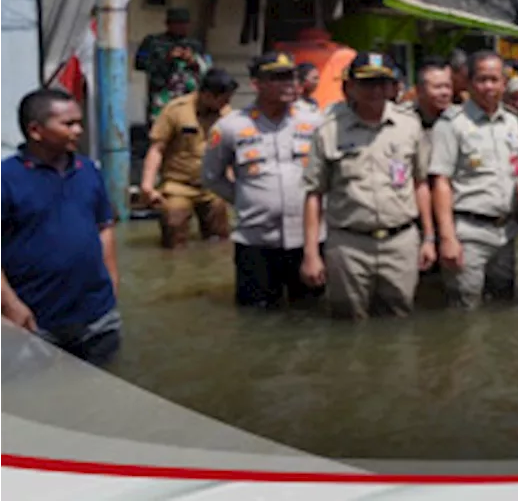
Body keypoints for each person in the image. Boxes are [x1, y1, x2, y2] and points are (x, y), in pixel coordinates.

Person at [300, 52, 434, 319]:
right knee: (347, 323)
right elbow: (314, 194)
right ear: (350, 87)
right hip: (348, 245)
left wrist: (428, 237)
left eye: (382, 83)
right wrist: (311, 253)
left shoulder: (409, 126)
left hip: (400, 242)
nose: (375, 90)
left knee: (400, 320)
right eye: (367, 83)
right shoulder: (328, 131)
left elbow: (420, 183)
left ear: (392, 87)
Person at [0, 89, 120, 366]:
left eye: (79, 122)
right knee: (39, 400)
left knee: (101, 396)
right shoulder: (7, 179)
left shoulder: (88, 170)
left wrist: (112, 281)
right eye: (68, 124)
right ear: (36, 130)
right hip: (34, 320)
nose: (78, 130)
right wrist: (10, 304)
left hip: (97, 318)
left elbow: (105, 226)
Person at [203, 53, 326, 310]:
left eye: (291, 77)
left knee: (310, 316)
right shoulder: (230, 127)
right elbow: (212, 177)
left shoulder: (315, 122)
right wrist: (246, 200)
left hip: (307, 241)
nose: (289, 84)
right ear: (256, 84)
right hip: (255, 242)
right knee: (255, 319)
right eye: (278, 78)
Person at [430, 51, 518, 309]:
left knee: (504, 305)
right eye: (482, 79)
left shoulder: (512, 124)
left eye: (495, 80)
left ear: (504, 83)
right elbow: (440, 182)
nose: (489, 87)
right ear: (469, 83)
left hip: (506, 233)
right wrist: (447, 237)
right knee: (465, 309)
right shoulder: (452, 125)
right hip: (468, 234)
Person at [139, 69, 237, 249]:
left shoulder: (227, 114)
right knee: (174, 224)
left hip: (212, 185)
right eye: (222, 100)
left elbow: (231, 152)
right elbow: (156, 149)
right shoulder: (175, 110)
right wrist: (147, 186)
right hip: (178, 184)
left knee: (221, 239)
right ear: (207, 95)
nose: (226, 104)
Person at [134, 7, 212, 124]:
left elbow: (206, 70)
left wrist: (192, 61)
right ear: (168, 24)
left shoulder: (195, 44)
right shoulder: (152, 42)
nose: (182, 27)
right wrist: (167, 59)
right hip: (161, 98)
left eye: (185, 23)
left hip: (188, 99)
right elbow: (139, 64)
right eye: (178, 23)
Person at [411, 56, 455, 132]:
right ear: (419, 90)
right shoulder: (403, 121)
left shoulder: (462, 120)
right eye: (438, 87)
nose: (445, 92)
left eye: (448, 86)